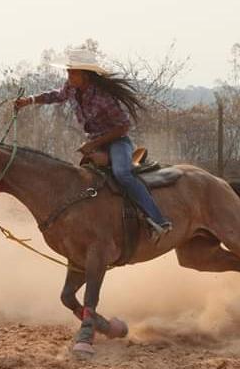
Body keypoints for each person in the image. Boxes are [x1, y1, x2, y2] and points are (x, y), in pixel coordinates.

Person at [14, 49, 173, 242]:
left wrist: (94, 144)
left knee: (122, 173)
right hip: (96, 144)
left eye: (73, 72)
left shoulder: (103, 97)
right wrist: (29, 101)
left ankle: (159, 220)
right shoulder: (71, 89)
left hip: (117, 142)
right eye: (68, 72)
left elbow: (123, 126)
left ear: (85, 75)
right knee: (83, 178)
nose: (69, 75)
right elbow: (55, 95)